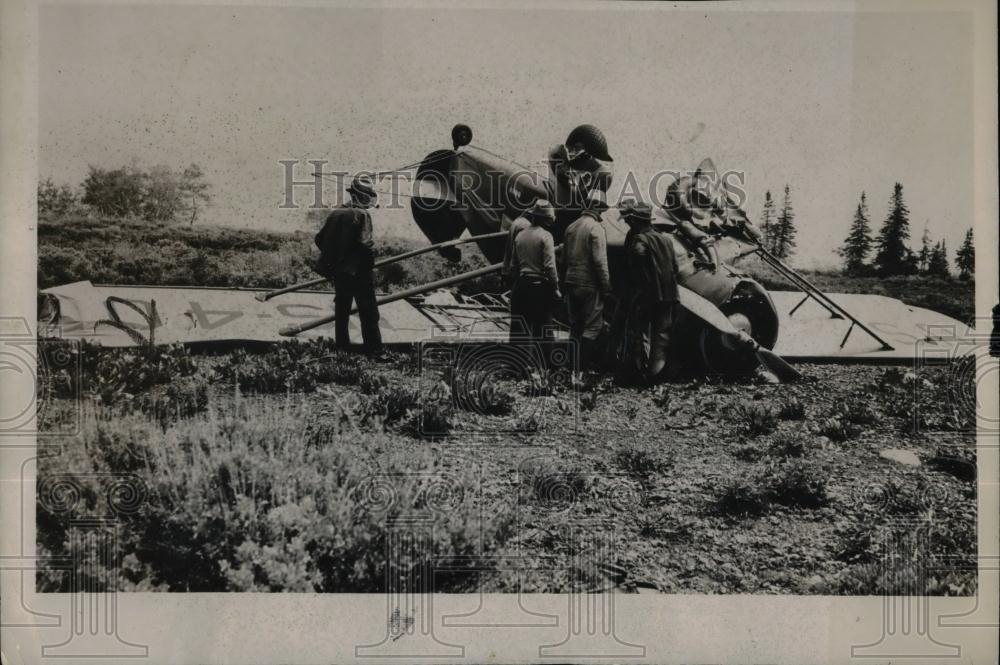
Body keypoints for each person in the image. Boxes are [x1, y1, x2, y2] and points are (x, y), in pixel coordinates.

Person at [314, 174, 384, 356]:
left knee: (342, 310)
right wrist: (369, 266)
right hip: (359, 273)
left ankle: (342, 348)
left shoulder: (336, 213)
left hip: (340, 272)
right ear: (362, 196)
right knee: (368, 311)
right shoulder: (362, 214)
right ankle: (374, 350)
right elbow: (365, 245)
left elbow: (320, 239)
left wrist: (338, 258)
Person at [619, 199, 680, 381]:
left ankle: (637, 373)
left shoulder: (640, 239)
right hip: (669, 295)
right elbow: (675, 268)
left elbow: (636, 260)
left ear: (637, 221)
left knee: (638, 332)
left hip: (646, 295)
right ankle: (656, 375)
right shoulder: (666, 240)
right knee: (662, 336)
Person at [561, 189, 612, 367]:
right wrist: (606, 287)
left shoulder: (571, 227)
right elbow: (600, 261)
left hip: (571, 281)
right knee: (592, 327)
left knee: (575, 326)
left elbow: (565, 259)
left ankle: (570, 365)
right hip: (589, 284)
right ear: (598, 209)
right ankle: (581, 369)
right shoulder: (596, 228)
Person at [508, 200, 560, 345]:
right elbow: (550, 267)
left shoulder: (520, 236)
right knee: (543, 330)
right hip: (539, 287)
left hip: (521, 285)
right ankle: (546, 365)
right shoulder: (546, 236)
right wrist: (555, 288)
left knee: (519, 330)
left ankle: (517, 365)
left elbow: (514, 266)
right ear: (547, 220)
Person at [501, 213, 532, 288]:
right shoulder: (527, 227)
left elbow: (509, 249)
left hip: (509, 267)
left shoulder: (517, 221)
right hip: (521, 271)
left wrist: (504, 271)